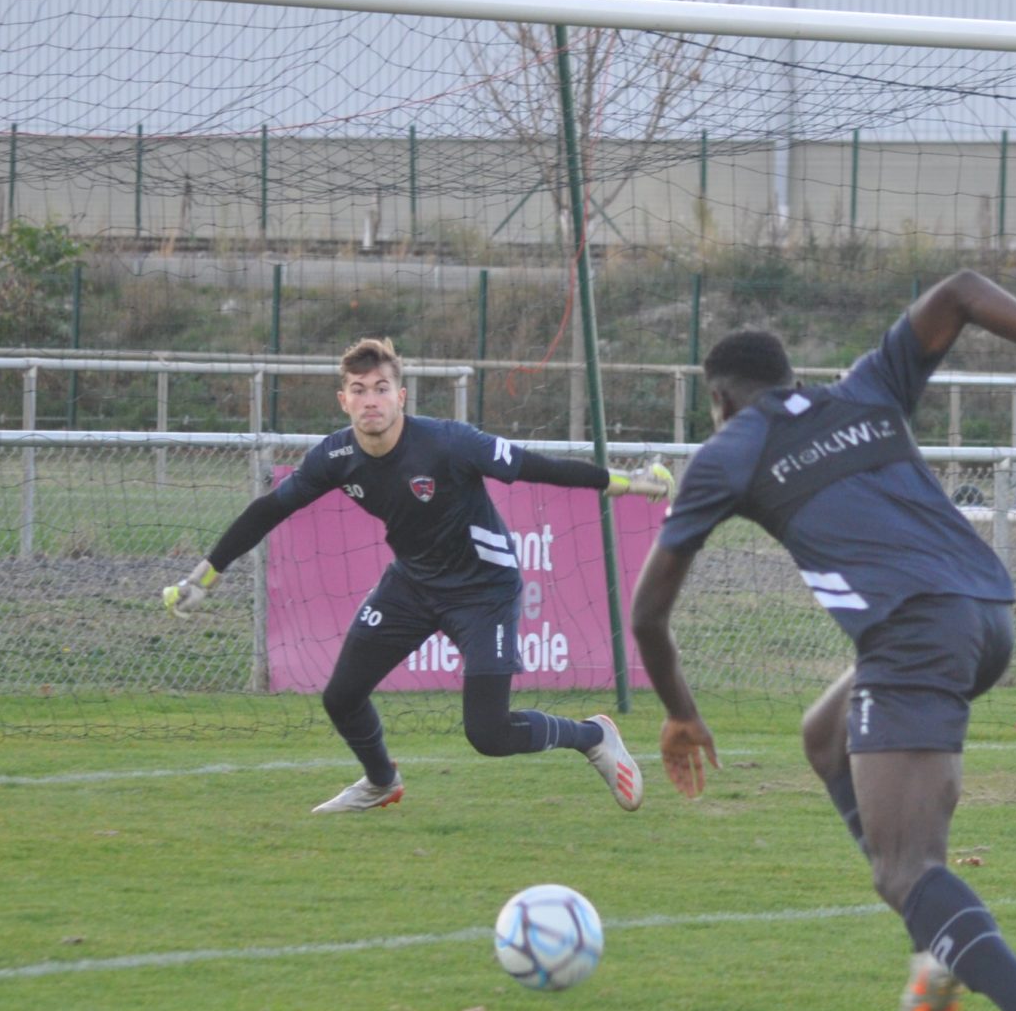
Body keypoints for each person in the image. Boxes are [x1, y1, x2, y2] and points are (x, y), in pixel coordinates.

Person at [628, 271, 1016, 1011]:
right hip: (986, 614)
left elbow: (647, 613)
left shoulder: (727, 452)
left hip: (915, 633)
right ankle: (938, 945)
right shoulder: (865, 389)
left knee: (904, 868)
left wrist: (679, 712)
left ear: (719, 399)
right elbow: (959, 289)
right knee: (824, 734)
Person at [161, 336, 672, 815]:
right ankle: (382, 782)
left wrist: (630, 482)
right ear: (343, 400)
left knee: (488, 734)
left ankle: (593, 737)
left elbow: (537, 466)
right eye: (358, 391)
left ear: (400, 395)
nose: (371, 401)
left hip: (484, 592)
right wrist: (204, 577)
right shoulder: (335, 456)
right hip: (413, 584)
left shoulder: (449, 444)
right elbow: (268, 511)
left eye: (381, 389)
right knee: (341, 696)